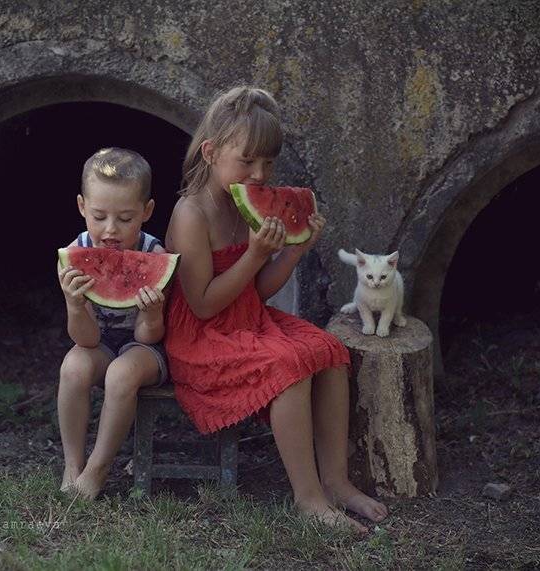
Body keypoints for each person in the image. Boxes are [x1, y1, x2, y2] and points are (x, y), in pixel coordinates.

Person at [164, 87, 388, 532]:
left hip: (248, 317)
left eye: (268, 163)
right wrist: (252, 255)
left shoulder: (245, 206)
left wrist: (291, 252)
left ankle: (337, 481)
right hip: (201, 338)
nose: (259, 173)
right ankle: (308, 499)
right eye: (247, 161)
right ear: (210, 152)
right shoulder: (192, 214)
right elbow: (204, 305)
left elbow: (258, 291)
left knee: (327, 350)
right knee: (287, 363)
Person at [57, 147, 169, 500]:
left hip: (146, 347)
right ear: (81, 207)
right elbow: (86, 340)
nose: (110, 230)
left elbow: (150, 335)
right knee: (73, 367)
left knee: (122, 372)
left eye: (125, 218)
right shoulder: (73, 255)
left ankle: (99, 466)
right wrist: (75, 306)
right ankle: (73, 463)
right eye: (99, 216)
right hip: (100, 341)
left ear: (147, 212)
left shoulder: (155, 255)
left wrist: (151, 314)